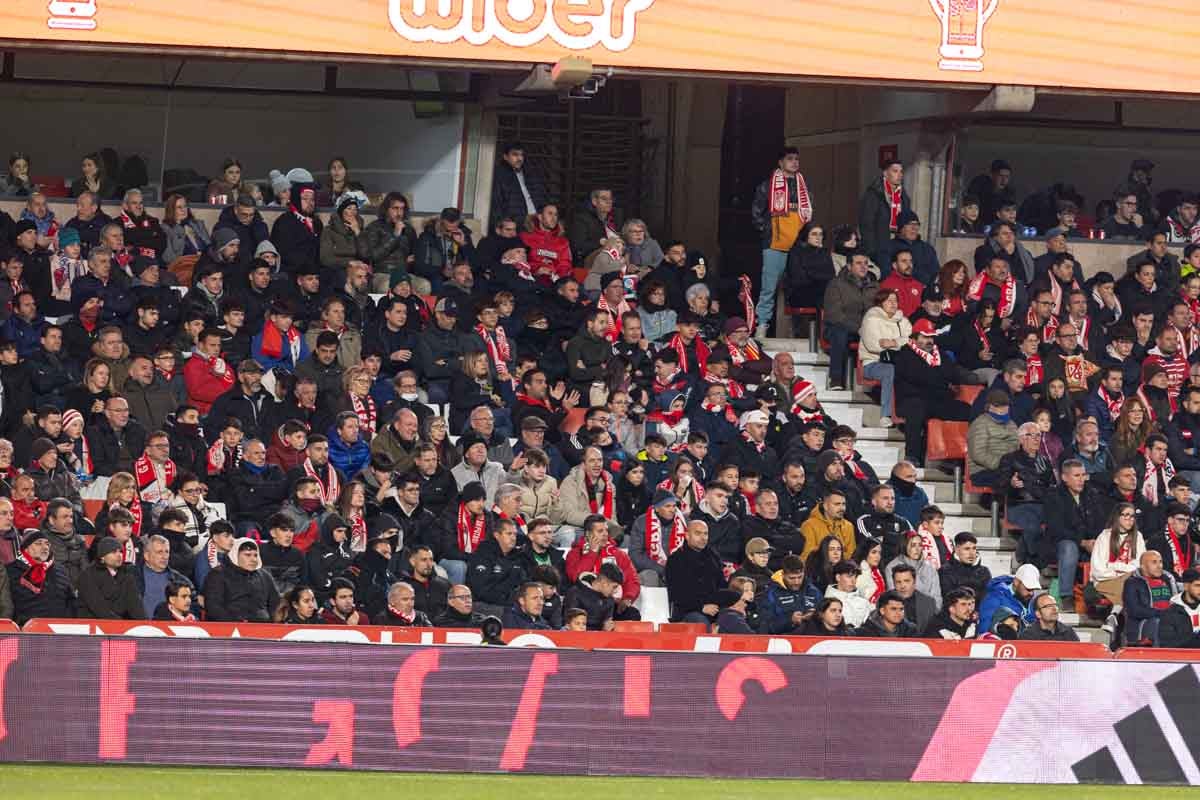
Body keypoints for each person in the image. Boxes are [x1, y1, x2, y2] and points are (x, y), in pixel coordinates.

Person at [752, 148, 814, 337]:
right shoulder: (768, 186)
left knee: (797, 285)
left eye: (797, 159)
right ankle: (762, 325)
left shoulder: (803, 187)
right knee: (769, 287)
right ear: (780, 162)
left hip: (796, 244)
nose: (794, 162)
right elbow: (757, 214)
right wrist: (770, 231)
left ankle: (797, 329)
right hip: (774, 243)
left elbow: (808, 216)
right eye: (790, 159)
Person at [893, 318, 970, 466]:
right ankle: (912, 456)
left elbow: (953, 374)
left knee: (968, 410)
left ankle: (957, 457)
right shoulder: (905, 354)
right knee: (916, 409)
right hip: (912, 400)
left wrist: (937, 375)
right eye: (925, 337)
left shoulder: (940, 354)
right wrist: (939, 375)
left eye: (931, 337)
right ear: (914, 338)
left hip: (938, 400)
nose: (929, 341)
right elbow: (921, 377)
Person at [821, 250, 877, 392]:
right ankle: (836, 379)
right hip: (840, 327)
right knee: (840, 333)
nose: (863, 267)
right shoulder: (836, 284)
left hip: (867, 329)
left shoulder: (875, 286)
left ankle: (876, 383)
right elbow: (834, 315)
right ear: (849, 266)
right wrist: (857, 328)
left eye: (866, 264)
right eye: (859, 263)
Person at [857, 288, 909, 427]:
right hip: (872, 363)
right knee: (889, 370)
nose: (893, 303)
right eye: (889, 300)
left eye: (895, 300)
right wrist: (899, 342)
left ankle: (906, 413)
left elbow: (910, 341)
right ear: (880, 303)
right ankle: (885, 415)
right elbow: (874, 345)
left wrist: (893, 342)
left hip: (899, 361)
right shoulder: (871, 319)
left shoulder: (902, 321)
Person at [203, 538, 280, 623]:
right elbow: (213, 607)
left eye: (255, 555)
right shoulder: (217, 575)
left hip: (263, 626)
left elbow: (275, 604)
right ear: (235, 555)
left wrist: (270, 622)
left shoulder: (265, 576)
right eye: (247, 555)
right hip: (228, 627)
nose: (253, 559)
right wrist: (237, 624)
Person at [6, 530, 76, 623]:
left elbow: (71, 601)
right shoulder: (12, 570)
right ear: (26, 548)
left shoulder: (60, 570)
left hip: (60, 629)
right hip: (26, 631)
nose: (45, 547)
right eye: (38, 544)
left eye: (47, 544)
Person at [665, 519, 725, 626]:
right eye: (698, 533)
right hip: (687, 612)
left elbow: (721, 586)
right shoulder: (676, 560)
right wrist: (701, 607)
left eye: (705, 534)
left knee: (732, 619)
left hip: (714, 609)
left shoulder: (713, 557)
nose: (703, 538)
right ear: (687, 536)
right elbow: (676, 595)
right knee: (700, 622)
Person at [1089, 502, 1146, 608]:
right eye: (1126, 515)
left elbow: (1139, 566)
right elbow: (1098, 570)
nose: (1130, 519)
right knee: (1130, 588)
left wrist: (1115, 566)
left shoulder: (1138, 536)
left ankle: (1114, 615)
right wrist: (1120, 574)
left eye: (1132, 516)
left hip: (1129, 579)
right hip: (1105, 581)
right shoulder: (1105, 536)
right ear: (1117, 517)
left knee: (1132, 585)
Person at [76, 537, 147, 620]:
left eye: (120, 551)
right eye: (114, 552)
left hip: (119, 625)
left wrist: (144, 624)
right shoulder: (87, 576)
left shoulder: (127, 576)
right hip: (93, 625)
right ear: (102, 557)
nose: (119, 555)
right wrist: (121, 625)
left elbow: (136, 606)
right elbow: (98, 607)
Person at [967, 390, 1020, 488]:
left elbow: (1017, 446)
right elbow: (978, 454)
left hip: (1008, 468)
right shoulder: (980, 424)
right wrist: (1001, 464)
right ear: (990, 407)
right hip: (983, 470)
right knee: (1010, 480)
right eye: (999, 406)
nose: (1003, 409)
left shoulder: (1011, 424)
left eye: (1005, 406)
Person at [939, 532, 992, 606]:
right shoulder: (945, 571)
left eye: (974, 548)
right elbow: (949, 599)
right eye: (967, 549)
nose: (971, 553)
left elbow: (987, 598)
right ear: (957, 550)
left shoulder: (984, 572)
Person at [1158, 568, 1200, 648]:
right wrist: (1195, 638)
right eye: (1197, 585)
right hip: (1183, 657)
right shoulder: (1170, 612)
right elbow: (1167, 644)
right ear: (1186, 586)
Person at [824, 560, 872, 627]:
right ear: (838, 577)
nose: (853, 581)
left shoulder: (864, 602)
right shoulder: (826, 601)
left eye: (855, 577)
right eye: (849, 576)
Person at [854, 590, 919, 638]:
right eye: (893, 609)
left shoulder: (911, 631)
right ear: (882, 611)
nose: (898, 613)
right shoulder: (865, 633)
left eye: (901, 609)